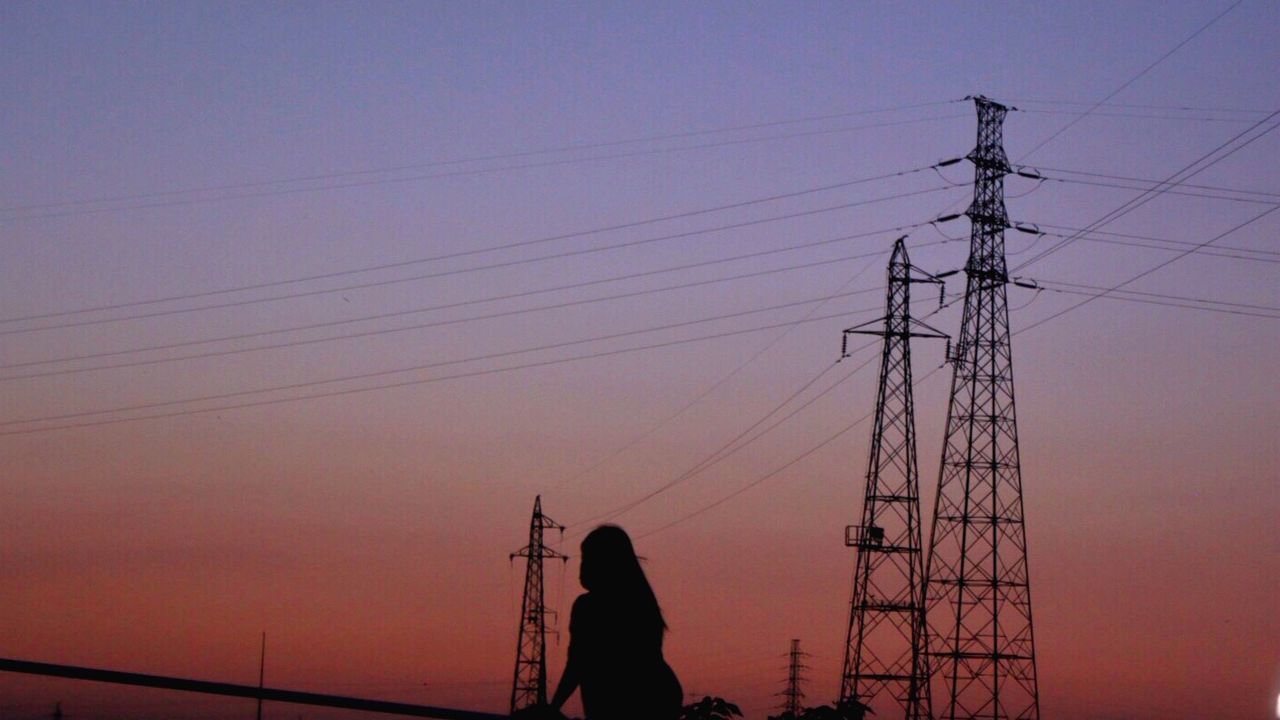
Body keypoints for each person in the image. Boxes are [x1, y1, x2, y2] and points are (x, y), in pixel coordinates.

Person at [549, 525, 682, 720]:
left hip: (627, 700)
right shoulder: (641, 602)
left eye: (586, 558)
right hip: (658, 697)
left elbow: (577, 663)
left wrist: (553, 708)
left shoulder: (589, 607)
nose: (582, 566)